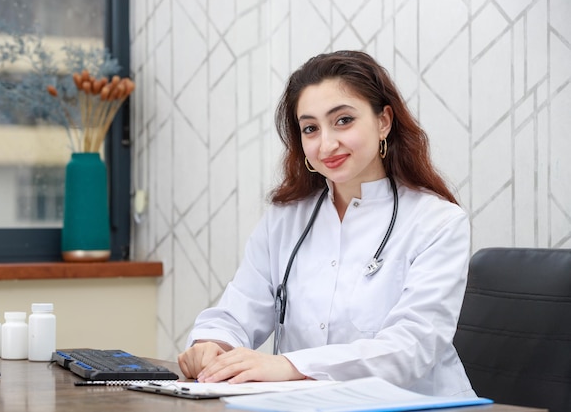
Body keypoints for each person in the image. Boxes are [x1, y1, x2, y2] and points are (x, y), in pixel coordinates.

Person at [178, 50, 475, 397]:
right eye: (310, 128)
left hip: (417, 404)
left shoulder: (437, 222)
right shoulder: (286, 219)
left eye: (343, 120)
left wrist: (290, 366)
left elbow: (411, 348)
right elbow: (236, 311)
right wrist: (212, 346)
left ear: (384, 121)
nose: (327, 144)